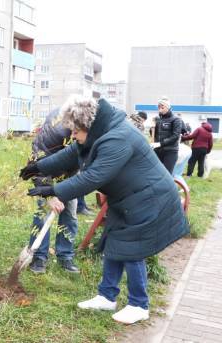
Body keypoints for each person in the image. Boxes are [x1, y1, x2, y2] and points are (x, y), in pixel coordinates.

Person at [20, 96, 189, 324]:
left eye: (76, 132)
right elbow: (71, 153)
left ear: (88, 127)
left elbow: (93, 177)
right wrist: (39, 166)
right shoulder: (99, 133)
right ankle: (107, 296)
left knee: (132, 249)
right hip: (129, 198)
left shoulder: (117, 138)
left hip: (150, 198)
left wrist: (53, 189)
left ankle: (139, 304)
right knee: (114, 242)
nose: (73, 137)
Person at [21, 108, 80, 274]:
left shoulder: (89, 130)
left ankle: (65, 255)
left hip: (69, 173)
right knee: (43, 211)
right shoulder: (54, 132)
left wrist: (67, 186)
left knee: (70, 212)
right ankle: (39, 255)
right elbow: (37, 165)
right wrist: (49, 195)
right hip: (44, 171)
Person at [152, 97, 182, 174]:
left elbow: (175, 136)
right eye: (158, 107)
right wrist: (152, 127)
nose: (160, 109)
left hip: (170, 151)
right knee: (156, 173)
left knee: (166, 174)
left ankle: (168, 186)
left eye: (162, 107)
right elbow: (154, 135)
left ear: (168, 107)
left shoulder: (176, 120)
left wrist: (160, 143)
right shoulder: (157, 119)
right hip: (158, 151)